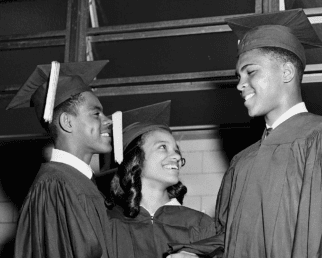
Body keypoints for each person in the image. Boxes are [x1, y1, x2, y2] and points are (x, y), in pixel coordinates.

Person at [168, 9, 322, 258]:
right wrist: (194, 254)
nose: (240, 84)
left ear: (286, 72)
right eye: (238, 76)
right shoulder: (242, 163)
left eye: (251, 72)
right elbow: (232, 238)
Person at [7, 60, 115, 258]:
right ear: (67, 122)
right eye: (96, 113)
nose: (108, 121)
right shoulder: (55, 186)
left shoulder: (79, 182)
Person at [100, 101, 216, 258]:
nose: (176, 156)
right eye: (162, 147)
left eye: (177, 150)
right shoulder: (108, 224)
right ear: (136, 159)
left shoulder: (200, 224)